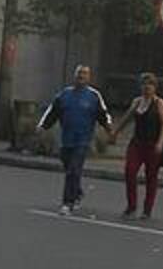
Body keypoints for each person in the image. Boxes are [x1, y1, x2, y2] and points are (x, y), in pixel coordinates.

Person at [38, 65, 112, 215]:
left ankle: (68, 202)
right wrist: (43, 126)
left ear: (89, 77)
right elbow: (52, 112)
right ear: (74, 76)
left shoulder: (94, 96)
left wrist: (108, 127)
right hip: (66, 139)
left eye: (84, 74)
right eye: (79, 73)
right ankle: (77, 192)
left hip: (83, 139)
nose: (81, 76)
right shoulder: (64, 95)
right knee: (69, 168)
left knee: (73, 170)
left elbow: (103, 114)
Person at [111, 72, 163, 220]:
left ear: (155, 87)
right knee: (130, 171)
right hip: (137, 144)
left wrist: (160, 143)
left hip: (152, 145)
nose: (147, 87)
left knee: (151, 177)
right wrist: (115, 133)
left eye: (150, 84)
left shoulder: (159, 104)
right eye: (144, 84)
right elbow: (127, 118)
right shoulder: (137, 102)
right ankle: (131, 206)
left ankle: (147, 209)